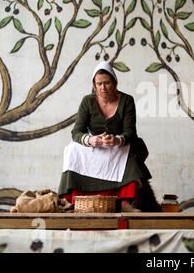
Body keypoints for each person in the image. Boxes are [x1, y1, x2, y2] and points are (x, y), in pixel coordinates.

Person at [58, 61, 152, 212]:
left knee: (128, 149)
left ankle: (125, 203)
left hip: (118, 146)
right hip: (95, 146)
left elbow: (130, 132)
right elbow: (76, 132)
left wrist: (117, 140)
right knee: (71, 149)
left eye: (107, 83)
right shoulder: (87, 101)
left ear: (115, 83)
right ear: (94, 85)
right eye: (99, 84)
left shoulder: (127, 101)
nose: (103, 87)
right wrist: (90, 140)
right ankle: (71, 201)